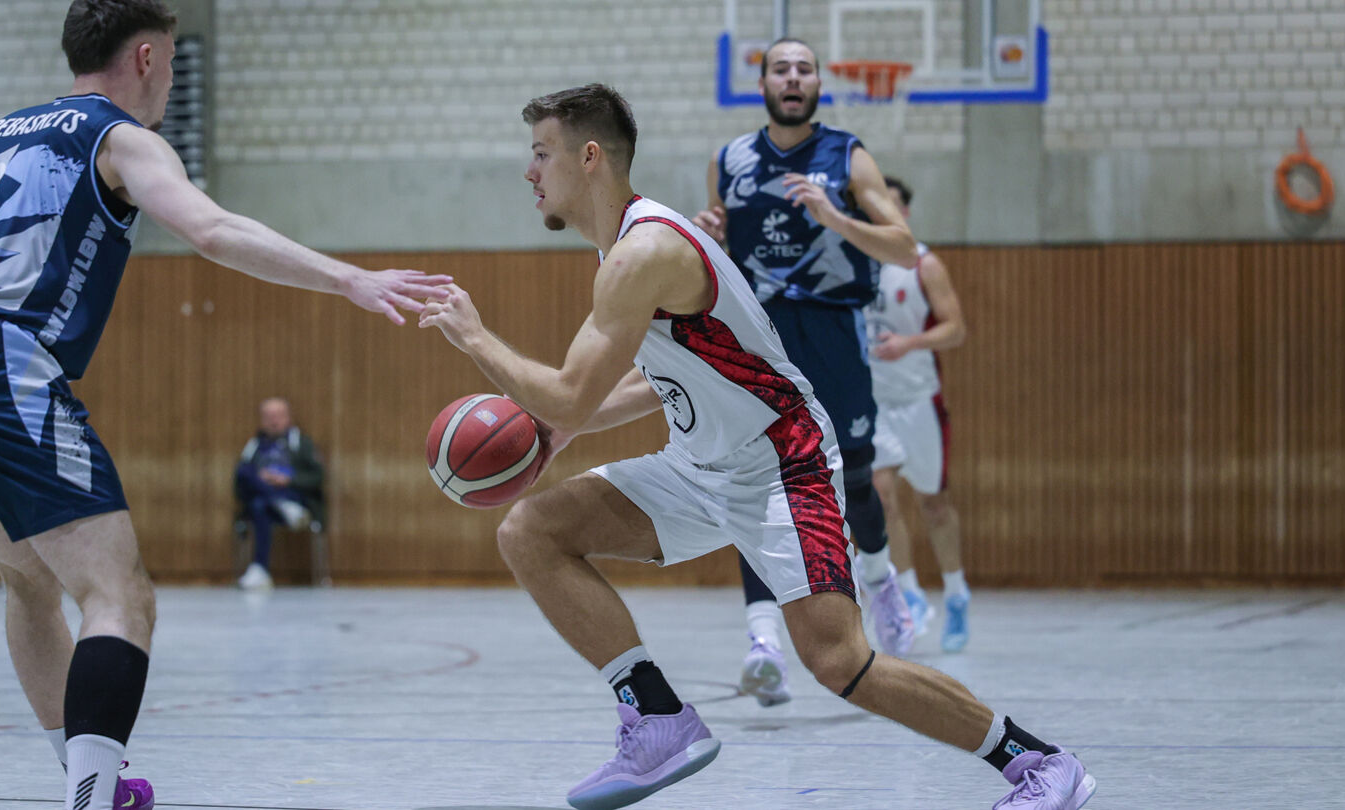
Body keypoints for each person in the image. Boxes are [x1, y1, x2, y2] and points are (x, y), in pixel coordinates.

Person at [420, 83, 1096, 810]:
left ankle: (1037, 763)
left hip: (783, 464)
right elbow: (658, 385)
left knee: (840, 662)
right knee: (533, 530)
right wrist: (561, 432)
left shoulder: (643, 252)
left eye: (540, 153)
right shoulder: (623, 249)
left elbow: (566, 391)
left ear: (589, 157)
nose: (530, 172)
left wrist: (476, 337)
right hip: (703, 464)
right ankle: (656, 718)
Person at [0, 3, 450, 809]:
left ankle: (92, 781)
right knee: (118, 593)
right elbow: (211, 229)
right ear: (152, 57)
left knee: (28, 580)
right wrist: (348, 278)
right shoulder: (120, 137)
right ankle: (92, 799)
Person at [691, 37, 917, 707]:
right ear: (761, 83)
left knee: (855, 477)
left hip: (833, 333)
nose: (793, 78)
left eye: (805, 68)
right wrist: (709, 230)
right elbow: (723, 249)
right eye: (781, 68)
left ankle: (879, 579)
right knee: (755, 484)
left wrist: (834, 216)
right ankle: (764, 644)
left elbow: (903, 246)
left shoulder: (847, 154)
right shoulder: (729, 159)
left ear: (819, 83)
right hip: (760, 340)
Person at [865, 176, 973, 652]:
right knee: (881, 499)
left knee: (934, 504)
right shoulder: (853, 265)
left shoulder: (924, 264)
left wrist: (910, 343)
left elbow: (956, 329)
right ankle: (907, 593)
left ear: (903, 214)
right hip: (873, 404)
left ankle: (956, 594)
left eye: (890, 205)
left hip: (918, 399)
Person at [233, 397, 326, 589]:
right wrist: (263, 479)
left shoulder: (301, 443)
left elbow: (317, 476)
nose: (274, 421)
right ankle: (260, 569)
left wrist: (288, 480)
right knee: (250, 485)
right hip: (267, 505)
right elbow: (240, 482)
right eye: (268, 417)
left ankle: (259, 568)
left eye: (278, 416)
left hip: (297, 500)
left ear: (288, 417)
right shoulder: (255, 445)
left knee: (260, 504)